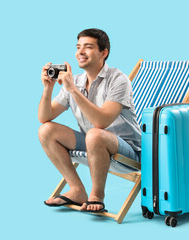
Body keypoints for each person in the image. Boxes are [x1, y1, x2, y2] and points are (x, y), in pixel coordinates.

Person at [38, 28, 141, 212]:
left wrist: (73, 90)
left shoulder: (118, 79)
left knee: (94, 134)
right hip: (93, 144)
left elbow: (101, 122)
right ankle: (77, 189)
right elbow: (44, 117)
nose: (80, 52)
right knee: (46, 130)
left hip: (128, 151)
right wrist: (48, 88)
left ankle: (96, 196)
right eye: (78, 47)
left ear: (104, 53)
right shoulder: (75, 81)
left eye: (88, 47)